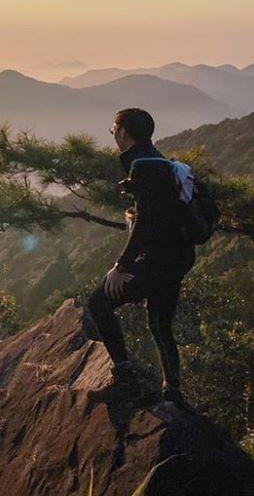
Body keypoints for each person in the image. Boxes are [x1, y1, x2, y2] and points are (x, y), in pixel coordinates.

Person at [87, 107, 195, 406]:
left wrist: (121, 266)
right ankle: (173, 391)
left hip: (157, 259)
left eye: (113, 129)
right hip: (177, 257)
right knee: (159, 322)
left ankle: (127, 381)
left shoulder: (143, 166)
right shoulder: (159, 160)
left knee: (99, 303)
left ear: (123, 133)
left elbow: (146, 221)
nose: (113, 134)